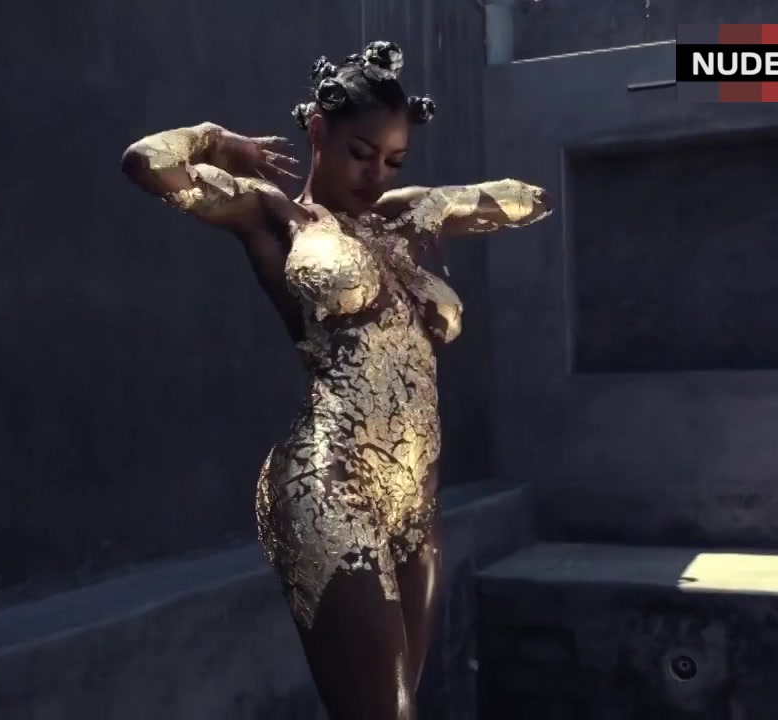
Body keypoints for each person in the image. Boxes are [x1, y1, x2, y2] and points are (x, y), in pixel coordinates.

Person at [121, 40, 550, 720]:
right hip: (328, 484)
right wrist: (218, 139)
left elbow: (529, 199)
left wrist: (443, 205)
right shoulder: (272, 215)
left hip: (415, 502)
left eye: (394, 160)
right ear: (318, 131)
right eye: (361, 153)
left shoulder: (403, 216)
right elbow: (148, 163)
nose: (376, 175)